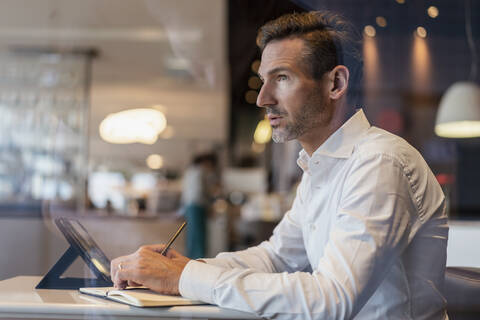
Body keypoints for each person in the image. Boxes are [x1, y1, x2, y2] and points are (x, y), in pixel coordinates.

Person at [111, 11, 448, 319]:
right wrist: (182, 267)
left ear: (336, 84)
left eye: (282, 78)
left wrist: (183, 279)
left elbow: (332, 299)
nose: (263, 98)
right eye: (264, 80)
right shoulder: (322, 168)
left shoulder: (378, 163)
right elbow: (275, 258)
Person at [180, 153, 218, 259]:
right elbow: (202, 192)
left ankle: (191, 261)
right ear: (206, 162)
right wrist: (210, 207)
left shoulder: (190, 171)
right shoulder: (201, 172)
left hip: (189, 207)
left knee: (192, 236)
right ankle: (198, 261)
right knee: (198, 237)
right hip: (197, 207)